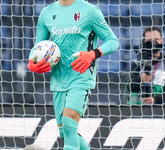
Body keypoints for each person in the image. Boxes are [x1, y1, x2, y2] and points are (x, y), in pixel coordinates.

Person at [27, 0, 119, 149]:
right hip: (58, 78)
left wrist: (93, 54)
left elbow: (113, 41)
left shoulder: (90, 11)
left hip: (81, 76)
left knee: (69, 123)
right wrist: (32, 62)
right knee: (65, 132)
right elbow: (39, 46)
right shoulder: (46, 13)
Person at [127, 26, 165, 105]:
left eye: (155, 40)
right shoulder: (137, 63)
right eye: (149, 41)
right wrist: (140, 79)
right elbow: (129, 87)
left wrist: (155, 99)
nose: (153, 44)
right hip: (136, 110)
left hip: (161, 111)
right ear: (143, 42)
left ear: (161, 41)